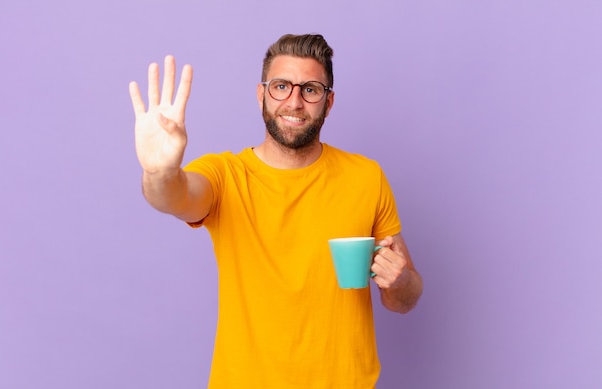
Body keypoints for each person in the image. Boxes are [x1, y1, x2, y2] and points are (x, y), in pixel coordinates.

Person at [129, 33, 423, 389]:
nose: (294, 102)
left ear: (328, 103)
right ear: (261, 95)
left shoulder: (366, 177)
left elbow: (404, 298)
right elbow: (173, 197)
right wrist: (159, 173)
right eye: (281, 86)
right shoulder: (225, 175)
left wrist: (401, 281)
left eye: (310, 89)